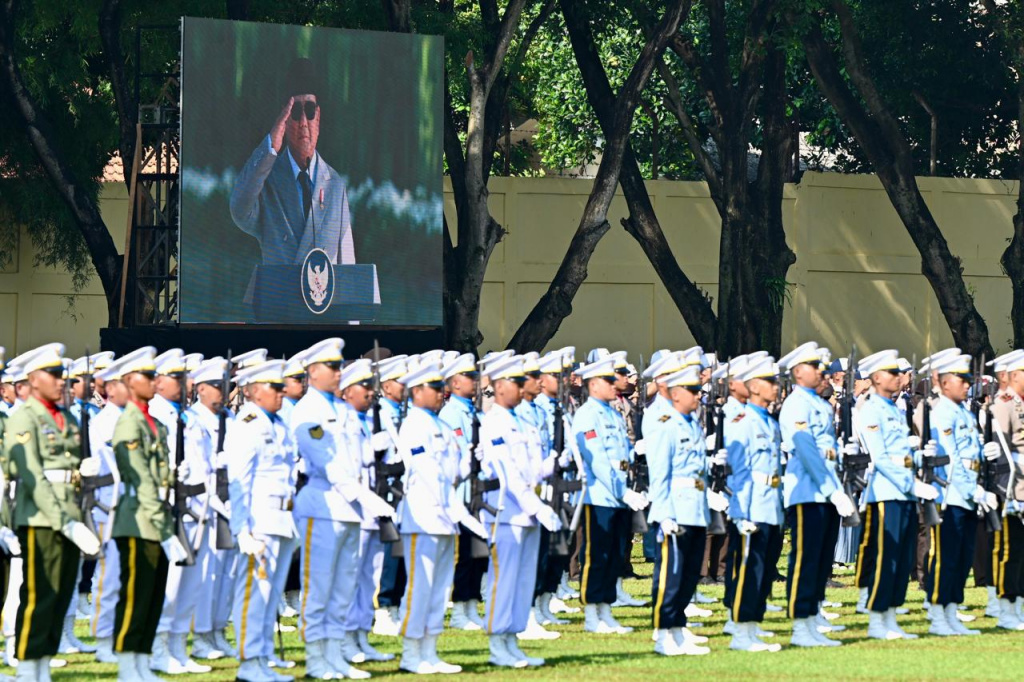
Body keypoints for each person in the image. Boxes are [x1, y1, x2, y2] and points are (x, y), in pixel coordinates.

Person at [290, 338, 393, 680]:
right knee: (318, 589)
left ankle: (336, 655)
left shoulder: (343, 411)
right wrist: (366, 497)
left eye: (339, 366)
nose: (338, 373)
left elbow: (359, 460)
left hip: (351, 510)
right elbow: (327, 464)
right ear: (313, 371)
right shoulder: (308, 410)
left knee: (342, 589)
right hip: (323, 507)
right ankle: (317, 658)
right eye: (332, 367)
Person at [4, 343, 100, 680]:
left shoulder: (65, 416)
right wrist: (66, 524)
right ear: (33, 378)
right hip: (42, 520)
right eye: (55, 375)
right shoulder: (23, 417)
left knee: (61, 597)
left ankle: (42, 665)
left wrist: (85, 470)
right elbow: (32, 477)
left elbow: (69, 465)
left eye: (63, 375)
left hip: (70, 513)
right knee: (41, 595)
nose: (62, 381)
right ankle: (28, 668)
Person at [395, 360, 486, 674]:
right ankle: (410, 653)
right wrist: (458, 511)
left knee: (439, 588)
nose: (440, 393)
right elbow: (428, 474)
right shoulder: (414, 425)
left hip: (445, 518)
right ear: (417, 391)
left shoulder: (441, 426)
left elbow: (454, 474)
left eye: (440, 387)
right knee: (420, 587)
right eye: (434, 388)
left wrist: (472, 460)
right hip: (423, 516)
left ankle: (430, 651)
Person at [229, 57, 355, 276]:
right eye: (295, 111)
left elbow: (348, 267)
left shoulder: (335, 185)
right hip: (280, 304)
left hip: (323, 307)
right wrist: (270, 146)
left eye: (310, 110)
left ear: (319, 117)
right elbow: (239, 210)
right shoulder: (267, 180)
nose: (303, 121)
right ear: (284, 120)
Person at [108, 346, 189, 681]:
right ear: (129, 380)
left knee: (154, 596)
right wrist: (166, 530)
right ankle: (128, 662)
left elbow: (162, 474)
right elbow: (141, 482)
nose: (155, 380)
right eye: (148, 376)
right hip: (139, 520)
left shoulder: (154, 423)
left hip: (157, 518)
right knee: (135, 595)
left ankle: (142, 660)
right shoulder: (129, 422)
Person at [477, 355, 562, 667]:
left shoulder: (519, 420)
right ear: (499, 387)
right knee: (505, 578)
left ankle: (513, 637)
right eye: (515, 382)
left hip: (526, 513)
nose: (520, 387)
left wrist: (554, 465)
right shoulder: (495, 421)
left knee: (523, 578)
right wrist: (536, 507)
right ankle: (497, 642)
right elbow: (508, 475)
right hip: (506, 514)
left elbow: (529, 470)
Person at [777, 342, 856, 648]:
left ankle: (814, 614)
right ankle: (800, 623)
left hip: (826, 491)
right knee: (806, 559)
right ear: (798, 372)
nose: (822, 372)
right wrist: (831, 490)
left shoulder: (820, 403)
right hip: (809, 492)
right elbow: (807, 452)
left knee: (822, 559)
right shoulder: (797, 403)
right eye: (815, 367)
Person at [853, 350, 937, 640]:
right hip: (887, 494)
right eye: (891, 373)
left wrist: (916, 453)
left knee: (902, 558)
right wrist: (910, 484)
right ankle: (877, 618)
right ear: (876, 378)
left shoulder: (891, 408)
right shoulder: (872, 409)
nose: (898, 378)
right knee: (886, 556)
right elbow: (881, 457)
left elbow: (899, 454)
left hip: (903, 494)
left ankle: (891, 616)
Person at [225, 359, 299, 682]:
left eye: (283, 387)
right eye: (275, 387)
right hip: (259, 522)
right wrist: (241, 529)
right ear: (255, 392)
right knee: (254, 594)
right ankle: (248, 663)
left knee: (270, 597)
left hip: (282, 519)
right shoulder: (248, 423)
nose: (281, 393)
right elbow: (238, 482)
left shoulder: (279, 424)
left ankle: (263, 658)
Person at [571, 356, 646, 635]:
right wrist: (621, 490)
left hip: (618, 494)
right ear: (593, 385)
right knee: (597, 555)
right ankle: (592, 613)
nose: (615, 384)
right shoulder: (588, 415)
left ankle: (606, 610)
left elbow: (621, 455)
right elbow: (598, 460)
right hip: (600, 495)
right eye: (609, 380)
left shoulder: (612, 413)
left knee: (615, 554)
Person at [925, 353, 991, 636]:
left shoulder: (963, 411)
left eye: (967, 380)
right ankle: (938, 612)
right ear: (943, 381)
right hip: (950, 494)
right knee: (947, 556)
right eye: (960, 380)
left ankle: (952, 610)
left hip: (967, 492)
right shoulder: (942, 412)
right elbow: (950, 459)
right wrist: (971, 489)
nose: (966, 385)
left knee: (963, 556)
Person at [337, 359, 394, 664]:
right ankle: (346, 638)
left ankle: (361, 635)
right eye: (365, 387)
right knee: (350, 576)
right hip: (354, 509)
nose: (371, 393)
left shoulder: (363, 421)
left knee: (368, 578)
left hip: (372, 510)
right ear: (347, 391)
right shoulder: (343, 421)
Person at [437, 353, 488, 632]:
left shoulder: (471, 410)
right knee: (464, 555)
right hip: (461, 493)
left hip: (478, 493)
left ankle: (471, 606)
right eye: (469, 377)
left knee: (478, 554)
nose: (475, 382)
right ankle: (459, 610)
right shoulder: (451, 413)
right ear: (455, 383)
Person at [88, 356, 132, 665]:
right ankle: (104, 640)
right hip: (110, 507)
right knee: (109, 578)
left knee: (128, 578)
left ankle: (119, 635)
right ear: (112, 388)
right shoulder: (105, 421)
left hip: (129, 508)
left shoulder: (130, 417)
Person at [370, 355, 409, 637]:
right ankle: (382, 608)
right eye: (399, 380)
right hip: (386, 489)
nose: (405, 385)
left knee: (400, 551)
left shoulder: (400, 411)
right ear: (385, 385)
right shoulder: (379, 412)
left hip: (403, 488)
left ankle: (394, 605)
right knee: (386, 553)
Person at [988, 351, 1024, 630]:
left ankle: (1019, 605)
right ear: (1012, 376)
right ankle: (1005, 608)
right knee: (1009, 552)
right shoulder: (1004, 403)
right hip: (1012, 488)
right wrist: (1007, 492)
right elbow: (1001, 449)